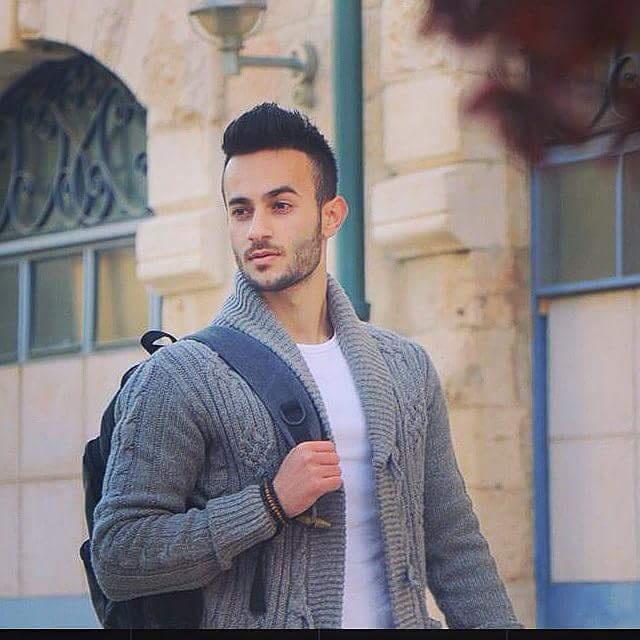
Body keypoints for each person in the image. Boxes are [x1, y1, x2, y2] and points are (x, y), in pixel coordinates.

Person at [91, 102, 523, 629]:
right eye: (241, 211)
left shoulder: (404, 368)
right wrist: (268, 503)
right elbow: (119, 555)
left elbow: (454, 545)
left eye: (280, 205)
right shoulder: (182, 375)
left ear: (330, 215)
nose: (257, 229)